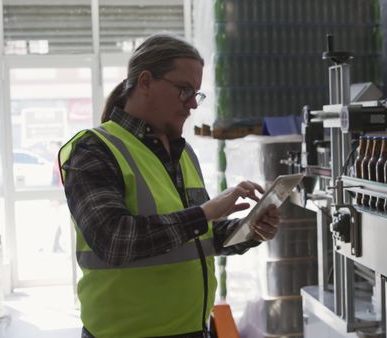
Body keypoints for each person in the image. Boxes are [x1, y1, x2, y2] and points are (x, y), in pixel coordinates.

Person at [58, 33, 281, 338]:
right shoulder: (94, 150)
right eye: (184, 90)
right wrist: (205, 213)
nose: (192, 104)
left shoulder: (182, 153)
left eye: (196, 94)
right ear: (146, 82)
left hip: (191, 329)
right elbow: (114, 240)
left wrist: (250, 230)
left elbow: (199, 238)